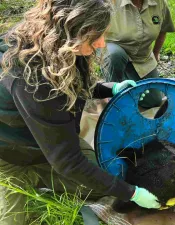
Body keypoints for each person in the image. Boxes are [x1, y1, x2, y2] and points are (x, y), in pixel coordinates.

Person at [0, 1, 160, 224]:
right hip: (13, 150)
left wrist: (110, 88)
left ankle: (48, 174)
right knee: (14, 219)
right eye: (96, 37)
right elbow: (68, 162)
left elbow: (70, 82)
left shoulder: (55, 44)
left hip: (46, 134)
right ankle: (30, 178)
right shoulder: (34, 81)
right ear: (73, 32)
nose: (103, 43)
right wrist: (132, 193)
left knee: (105, 178)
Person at [103, 0, 175, 108]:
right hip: (114, 53)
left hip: (142, 57)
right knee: (114, 55)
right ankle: (111, 97)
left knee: (154, 102)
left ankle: (127, 83)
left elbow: (163, 29)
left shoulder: (159, 3)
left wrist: (155, 53)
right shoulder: (111, 3)